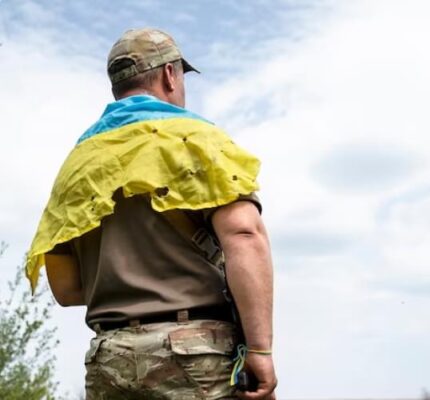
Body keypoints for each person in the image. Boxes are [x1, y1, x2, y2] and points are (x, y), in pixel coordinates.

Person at [26, 28, 277, 400]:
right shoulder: (196, 140)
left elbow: (65, 289)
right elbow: (243, 235)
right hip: (195, 359)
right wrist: (260, 350)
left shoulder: (78, 164)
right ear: (170, 75)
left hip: (109, 362)